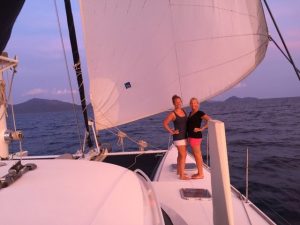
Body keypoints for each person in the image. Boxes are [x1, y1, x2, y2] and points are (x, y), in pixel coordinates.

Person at [163, 95, 189, 180]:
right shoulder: (172, 114)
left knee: (180, 155)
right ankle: (182, 176)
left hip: (185, 136)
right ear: (174, 103)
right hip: (178, 137)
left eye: (179, 101)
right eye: (176, 102)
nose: (178, 103)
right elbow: (165, 123)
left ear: (181, 102)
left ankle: (179, 171)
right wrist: (172, 131)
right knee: (183, 154)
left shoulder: (184, 111)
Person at [187, 97, 211, 179]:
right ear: (190, 104)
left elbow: (209, 120)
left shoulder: (200, 113)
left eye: (195, 103)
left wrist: (202, 128)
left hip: (196, 137)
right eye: (192, 103)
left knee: (197, 155)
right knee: (196, 155)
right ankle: (199, 172)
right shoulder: (190, 113)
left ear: (198, 104)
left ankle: (200, 174)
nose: (193, 104)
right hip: (191, 136)